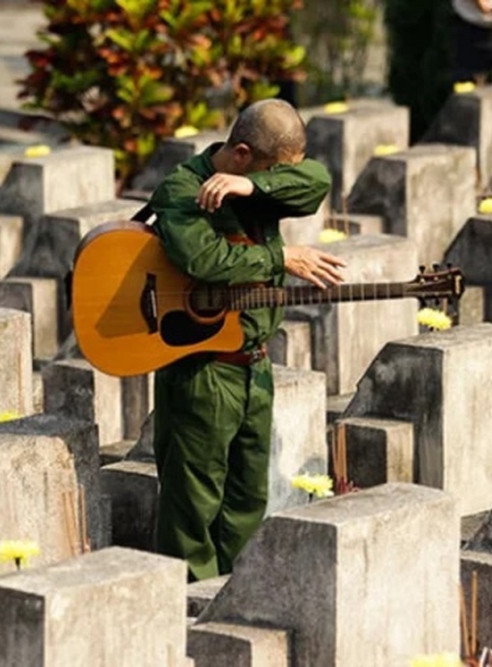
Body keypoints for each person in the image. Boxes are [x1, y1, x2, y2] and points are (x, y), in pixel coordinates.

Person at [147, 99, 346, 582]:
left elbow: (315, 181)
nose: (279, 183)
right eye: (268, 170)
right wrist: (284, 260)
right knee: (192, 502)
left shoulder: (253, 183)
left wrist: (254, 184)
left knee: (246, 496)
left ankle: (236, 594)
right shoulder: (181, 189)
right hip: (202, 370)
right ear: (240, 152)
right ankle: (192, 609)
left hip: (254, 364)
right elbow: (207, 262)